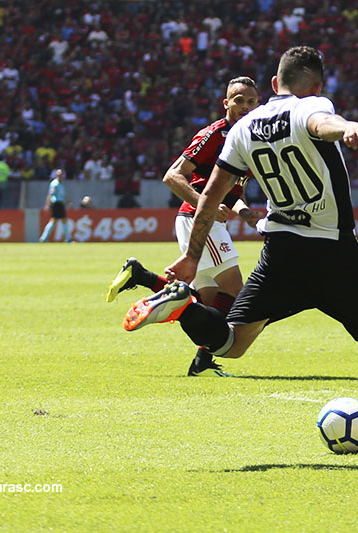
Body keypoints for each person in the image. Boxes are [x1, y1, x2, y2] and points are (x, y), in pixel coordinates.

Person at [123, 46, 358, 462]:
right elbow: (322, 122)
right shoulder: (310, 106)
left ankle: (183, 308)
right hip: (334, 254)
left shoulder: (244, 128)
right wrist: (347, 125)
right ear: (316, 86)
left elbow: (210, 194)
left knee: (230, 344)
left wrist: (192, 257)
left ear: (274, 85)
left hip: (279, 253)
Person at [106, 76, 261, 378]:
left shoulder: (248, 138)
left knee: (205, 301)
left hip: (204, 219)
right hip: (197, 220)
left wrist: (244, 213)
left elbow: (234, 192)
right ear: (225, 103)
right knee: (237, 293)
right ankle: (203, 351)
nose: (244, 106)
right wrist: (207, 205)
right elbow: (173, 176)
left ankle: (146, 278)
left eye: (250, 101)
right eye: (238, 100)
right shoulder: (215, 135)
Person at [39, 169, 72, 242]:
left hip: (61, 203)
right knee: (59, 220)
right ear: (56, 175)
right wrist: (47, 204)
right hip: (56, 204)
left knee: (55, 221)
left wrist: (68, 202)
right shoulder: (54, 184)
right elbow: (50, 194)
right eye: (58, 174)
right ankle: (68, 239)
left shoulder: (62, 186)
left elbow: (64, 196)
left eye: (61, 175)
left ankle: (43, 238)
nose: (60, 176)